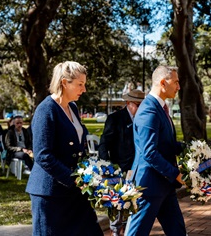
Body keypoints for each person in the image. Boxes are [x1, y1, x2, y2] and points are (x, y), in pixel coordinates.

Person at [25, 61, 103, 235]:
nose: (84, 89)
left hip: (75, 192)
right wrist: (74, 179)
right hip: (50, 193)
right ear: (64, 82)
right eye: (80, 84)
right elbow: (43, 155)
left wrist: (92, 171)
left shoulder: (73, 108)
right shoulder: (46, 110)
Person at [127, 65, 186, 236]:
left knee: (177, 231)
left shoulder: (159, 108)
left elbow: (166, 143)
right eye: (175, 82)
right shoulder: (149, 110)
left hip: (165, 184)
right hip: (149, 186)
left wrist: (192, 150)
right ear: (162, 82)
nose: (178, 86)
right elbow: (149, 152)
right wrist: (175, 174)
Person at [98, 89, 145, 236]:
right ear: (128, 103)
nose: (139, 108)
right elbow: (104, 144)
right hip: (120, 170)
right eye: (137, 104)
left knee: (135, 206)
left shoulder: (144, 118)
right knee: (118, 207)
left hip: (138, 169)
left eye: (142, 104)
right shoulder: (115, 118)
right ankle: (116, 232)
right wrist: (107, 168)